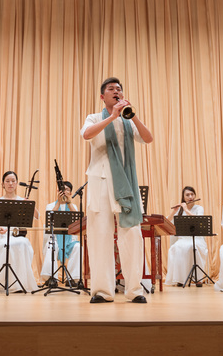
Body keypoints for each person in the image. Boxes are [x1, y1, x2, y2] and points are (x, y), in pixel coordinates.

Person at [81, 77, 153, 303]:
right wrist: (112, 117)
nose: (116, 91)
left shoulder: (128, 121)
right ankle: (103, 292)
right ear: (102, 97)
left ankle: (135, 290)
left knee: (132, 235)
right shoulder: (94, 117)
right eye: (111, 89)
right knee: (99, 234)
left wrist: (133, 115)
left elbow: (148, 138)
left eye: (119, 89)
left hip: (126, 183)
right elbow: (87, 134)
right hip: (101, 181)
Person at [165, 186, 209, 287]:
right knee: (177, 248)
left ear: (195, 196)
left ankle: (198, 278)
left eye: (192, 194)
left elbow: (198, 220)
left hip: (197, 238)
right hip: (183, 239)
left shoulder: (199, 208)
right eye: (187, 195)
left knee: (194, 247)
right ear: (183, 197)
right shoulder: (179, 210)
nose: (190, 197)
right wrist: (174, 211)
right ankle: (180, 279)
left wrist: (185, 209)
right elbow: (167, 222)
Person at [40, 181, 81, 284]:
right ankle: (51, 278)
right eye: (62, 189)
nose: (64, 192)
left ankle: (72, 278)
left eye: (67, 190)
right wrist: (58, 202)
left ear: (70, 193)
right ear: (58, 191)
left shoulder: (73, 206)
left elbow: (77, 221)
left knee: (78, 247)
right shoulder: (50, 206)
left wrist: (69, 203)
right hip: (55, 238)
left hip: (69, 240)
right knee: (51, 246)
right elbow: (49, 219)